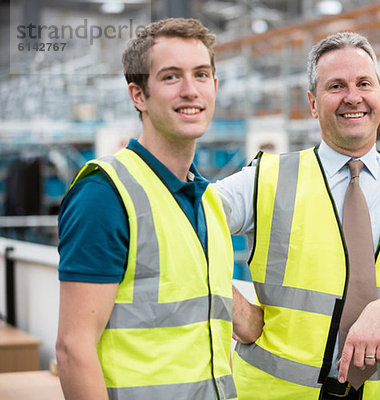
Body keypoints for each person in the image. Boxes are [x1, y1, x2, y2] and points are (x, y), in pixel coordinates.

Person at [215, 32, 380, 399]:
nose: (353, 97)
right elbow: (182, 224)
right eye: (336, 86)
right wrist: (236, 311)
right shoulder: (267, 179)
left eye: (364, 84)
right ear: (312, 103)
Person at [55, 18, 261, 400]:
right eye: (170, 77)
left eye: (201, 75)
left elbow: (208, 302)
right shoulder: (104, 194)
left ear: (215, 87)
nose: (190, 90)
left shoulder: (208, 201)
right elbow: (72, 350)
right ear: (138, 95)